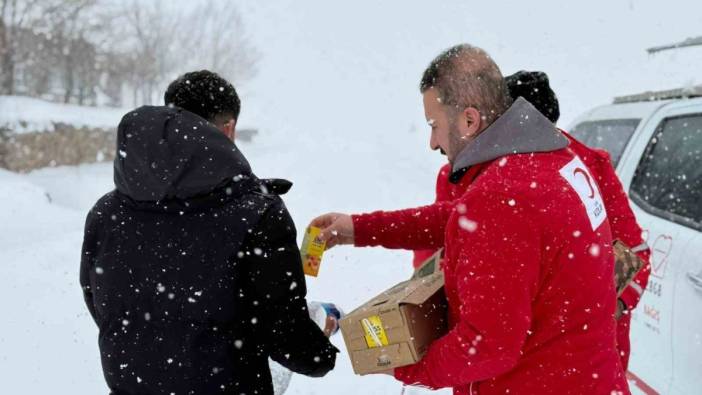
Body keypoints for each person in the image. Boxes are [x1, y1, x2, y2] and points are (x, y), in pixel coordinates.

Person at [311, 45, 630, 394]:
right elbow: (462, 218)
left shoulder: (502, 196)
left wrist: (403, 363)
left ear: (469, 120)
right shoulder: (551, 162)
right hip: (588, 379)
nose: (432, 142)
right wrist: (360, 228)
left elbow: (487, 344)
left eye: (435, 125)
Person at [80, 70, 337, 395]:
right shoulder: (258, 215)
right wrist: (320, 342)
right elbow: (289, 341)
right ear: (228, 128)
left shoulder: (107, 213)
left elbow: (108, 310)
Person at [413, 70, 651, 370]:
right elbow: (436, 252)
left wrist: (603, 310)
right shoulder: (459, 176)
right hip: (496, 362)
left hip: (582, 362)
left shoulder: (587, 166)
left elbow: (636, 251)